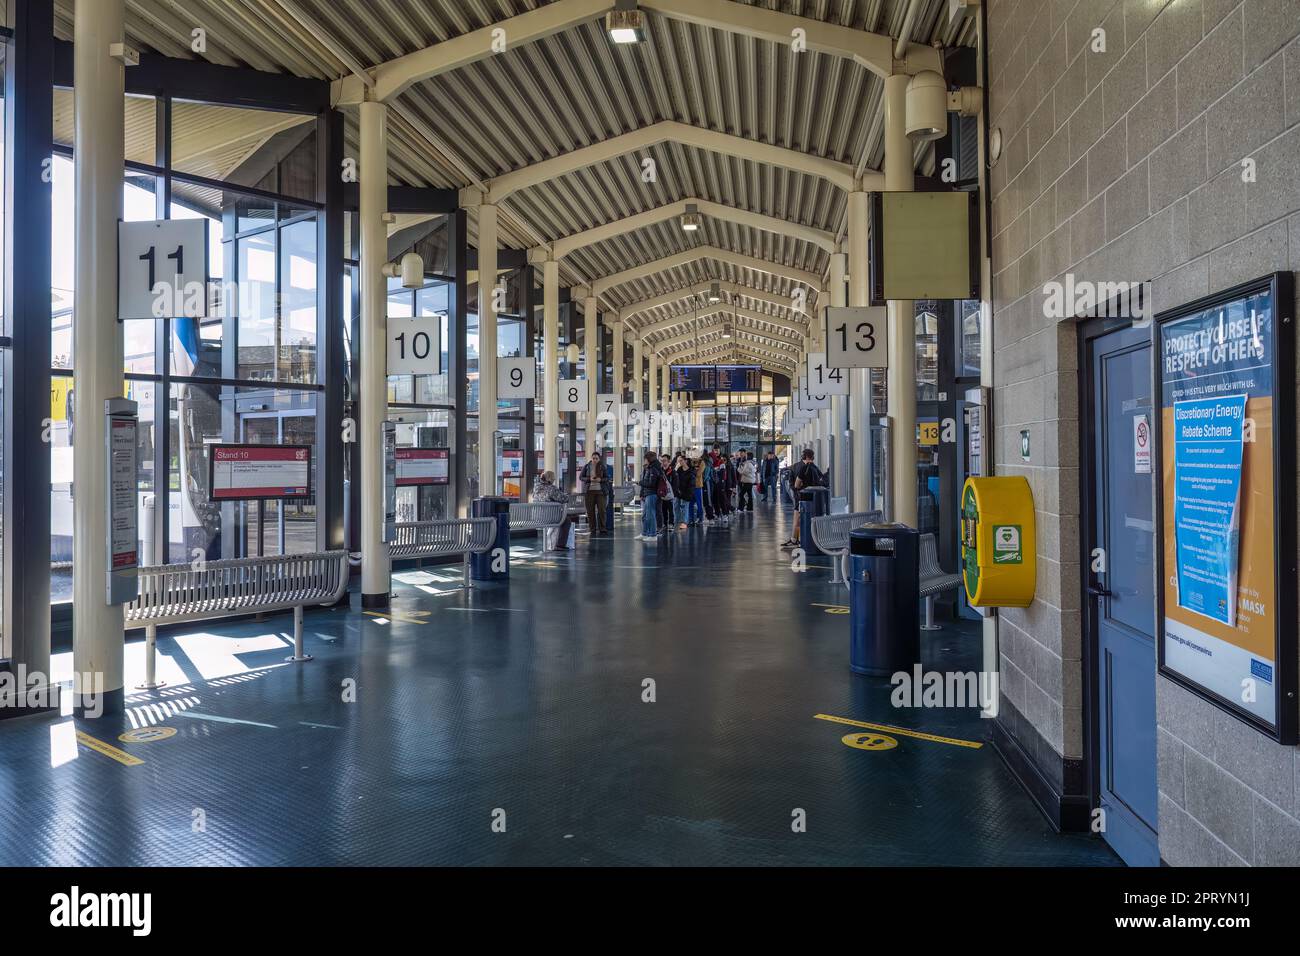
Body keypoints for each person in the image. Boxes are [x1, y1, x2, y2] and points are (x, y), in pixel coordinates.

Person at [781, 449, 825, 550]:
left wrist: (797, 490)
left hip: (800, 497)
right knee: (806, 520)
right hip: (814, 499)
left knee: (797, 519)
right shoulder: (814, 468)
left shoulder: (797, 467)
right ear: (812, 457)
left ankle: (795, 540)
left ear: (803, 456)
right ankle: (802, 540)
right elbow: (821, 481)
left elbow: (795, 484)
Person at [531, 470, 574, 550]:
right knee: (566, 520)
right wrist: (565, 495)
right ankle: (560, 545)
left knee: (560, 519)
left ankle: (553, 543)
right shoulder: (552, 488)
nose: (554, 480)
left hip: (536, 517)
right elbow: (564, 499)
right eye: (553, 478)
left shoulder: (536, 487)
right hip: (549, 517)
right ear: (549, 479)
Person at [579, 451, 609, 536]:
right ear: (591, 458)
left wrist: (600, 480)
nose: (595, 460)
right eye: (593, 458)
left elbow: (607, 478)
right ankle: (592, 529)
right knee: (590, 511)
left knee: (602, 511)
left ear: (599, 459)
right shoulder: (587, 466)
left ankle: (602, 528)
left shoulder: (602, 466)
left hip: (600, 492)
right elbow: (581, 477)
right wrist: (589, 479)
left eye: (596, 458)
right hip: (589, 491)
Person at [638, 450, 665, 541]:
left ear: (648, 459)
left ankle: (653, 534)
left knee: (650, 514)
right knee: (645, 515)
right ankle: (645, 533)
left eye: (645, 459)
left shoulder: (653, 469)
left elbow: (651, 483)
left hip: (652, 494)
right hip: (647, 494)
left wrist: (640, 483)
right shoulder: (649, 468)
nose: (644, 460)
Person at [671, 453, 694, 529]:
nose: (679, 462)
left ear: (686, 461)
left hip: (686, 492)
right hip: (678, 491)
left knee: (685, 507)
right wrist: (676, 469)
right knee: (676, 506)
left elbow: (691, 484)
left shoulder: (690, 471)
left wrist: (687, 492)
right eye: (678, 461)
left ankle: (684, 522)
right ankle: (676, 521)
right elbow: (673, 478)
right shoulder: (678, 470)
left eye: (681, 461)